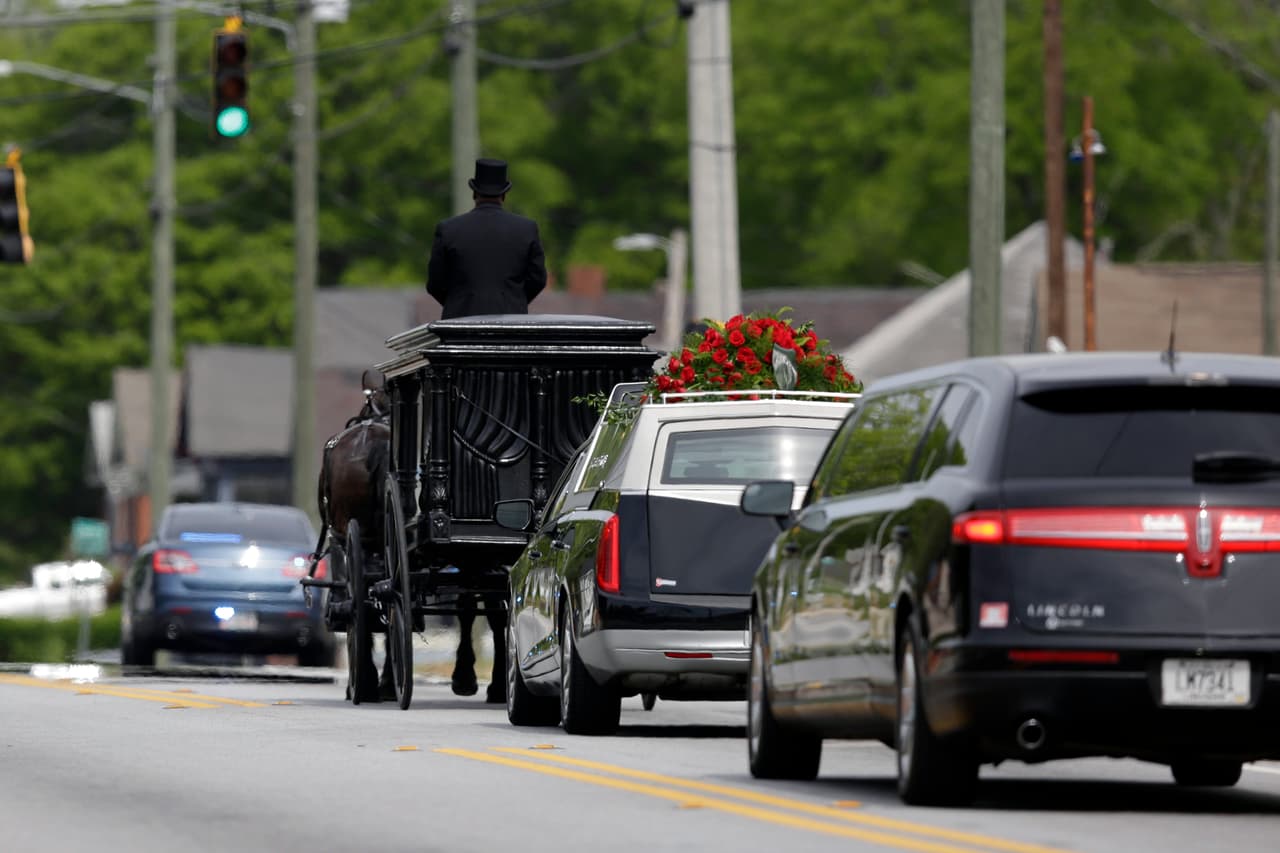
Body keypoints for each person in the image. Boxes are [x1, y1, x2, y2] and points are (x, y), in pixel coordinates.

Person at [426, 158, 548, 319]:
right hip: (511, 324)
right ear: (504, 194)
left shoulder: (448, 229)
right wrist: (513, 300)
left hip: (459, 325)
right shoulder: (526, 229)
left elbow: (435, 284)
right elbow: (537, 280)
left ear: (474, 193)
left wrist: (458, 302)